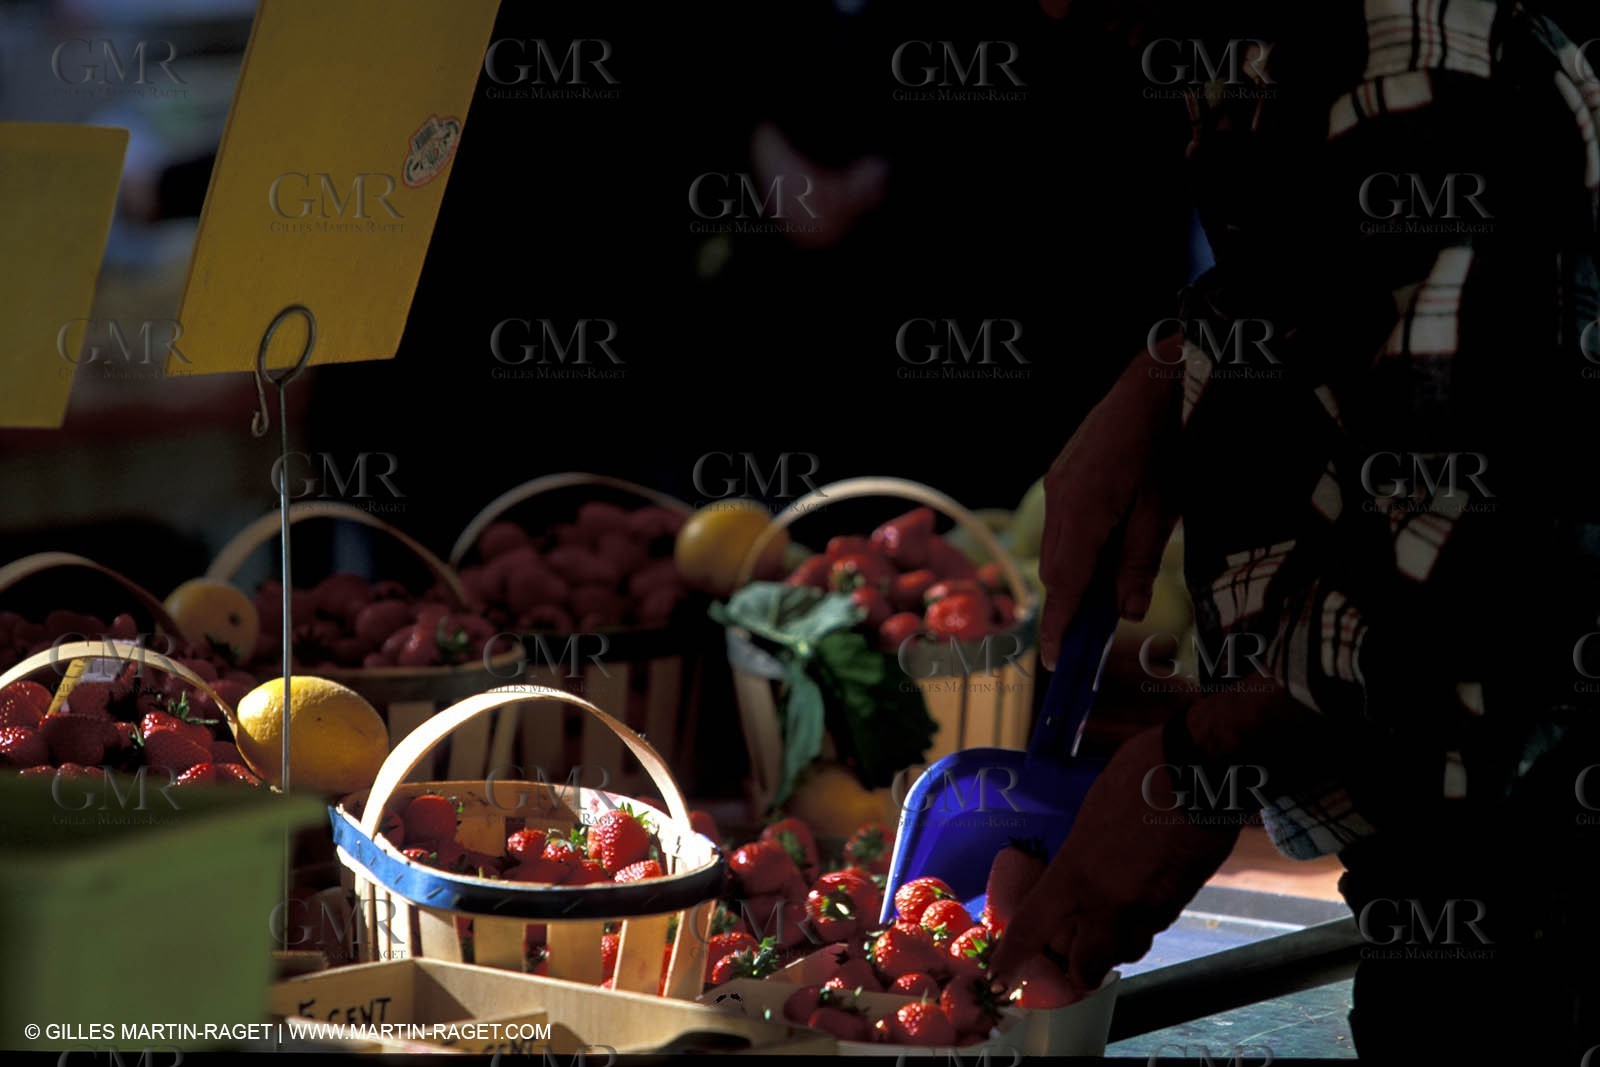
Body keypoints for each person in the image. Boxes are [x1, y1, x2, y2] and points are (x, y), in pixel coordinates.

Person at [987, 1, 1600, 1060]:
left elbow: (1465, 552)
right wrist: (1177, 366)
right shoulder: (1275, 55)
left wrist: (1197, 768)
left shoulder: (1404, 55)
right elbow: (1356, 276)